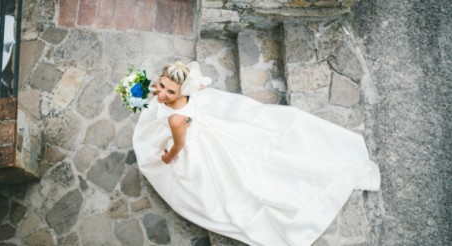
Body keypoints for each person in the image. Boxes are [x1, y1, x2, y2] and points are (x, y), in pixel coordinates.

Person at [133, 61, 380, 246]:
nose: (162, 94)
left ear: (180, 92)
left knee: (228, 186)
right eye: (161, 86)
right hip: (205, 126)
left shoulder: (176, 120)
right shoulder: (186, 92)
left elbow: (177, 147)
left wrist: (165, 159)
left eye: (169, 92)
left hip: (194, 139)